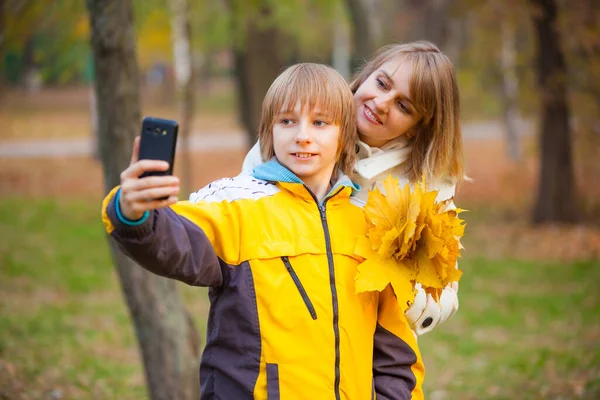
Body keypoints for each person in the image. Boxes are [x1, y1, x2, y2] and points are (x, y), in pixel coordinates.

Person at [102, 63, 424, 399]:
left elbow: (396, 355)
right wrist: (134, 213)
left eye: (319, 122)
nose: (302, 135)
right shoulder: (236, 203)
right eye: (287, 121)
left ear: (344, 135)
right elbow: (176, 241)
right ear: (269, 132)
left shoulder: (369, 227)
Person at [242, 41, 466, 336]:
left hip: (362, 343)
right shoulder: (301, 129)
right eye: (382, 83)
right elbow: (242, 216)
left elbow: (444, 298)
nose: (382, 103)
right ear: (367, 76)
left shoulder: (426, 187)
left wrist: (391, 282)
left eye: (403, 106)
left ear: (417, 126)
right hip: (279, 324)